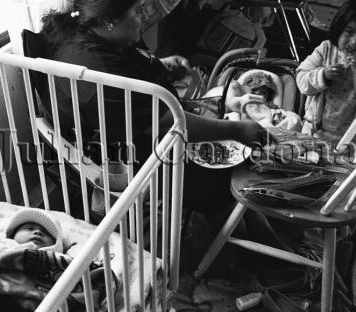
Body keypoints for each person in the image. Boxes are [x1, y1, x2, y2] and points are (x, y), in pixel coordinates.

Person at [39, 0, 271, 223]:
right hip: (135, 158)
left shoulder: (91, 32)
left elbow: (131, 69)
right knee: (231, 175)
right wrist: (237, 130)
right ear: (109, 19)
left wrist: (160, 64)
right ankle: (241, 233)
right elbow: (170, 123)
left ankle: (254, 231)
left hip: (150, 127)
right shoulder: (102, 73)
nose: (145, 16)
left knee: (226, 103)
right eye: (138, 10)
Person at [296, 0, 356, 144]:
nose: (354, 42)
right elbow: (301, 80)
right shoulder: (326, 49)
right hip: (313, 133)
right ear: (339, 28)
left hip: (353, 140)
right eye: (349, 31)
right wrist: (323, 75)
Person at [0, 208, 64, 254]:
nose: (38, 232)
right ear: (13, 235)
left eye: (46, 233)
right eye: (29, 228)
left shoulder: (58, 259)